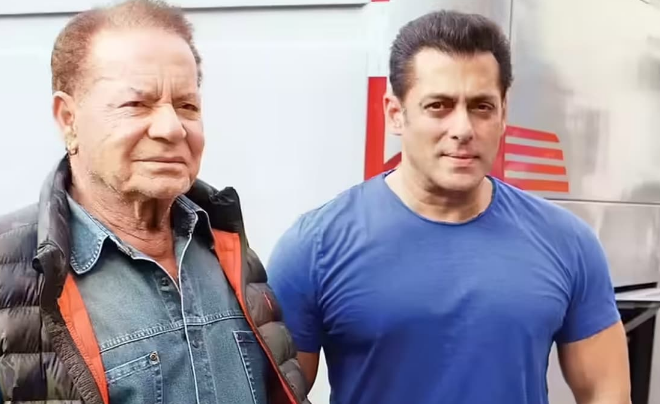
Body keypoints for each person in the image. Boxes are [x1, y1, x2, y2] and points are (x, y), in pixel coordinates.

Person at [267, 10, 631, 404]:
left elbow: (606, 392)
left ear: (503, 113)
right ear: (395, 113)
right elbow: (276, 397)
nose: (463, 129)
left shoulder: (567, 242)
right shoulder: (315, 247)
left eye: (481, 106)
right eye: (439, 105)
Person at [0, 1, 309, 403]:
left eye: (187, 106)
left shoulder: (229, 250)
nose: (171, 128)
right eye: (136, 104)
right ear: (68, 118)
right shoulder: (11, 275)